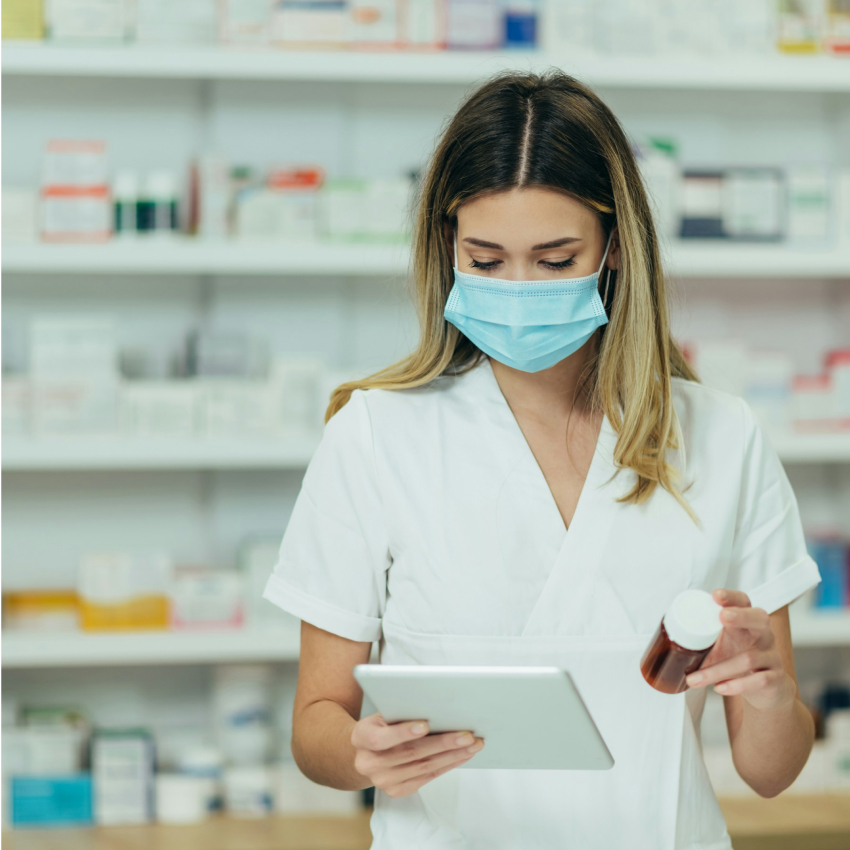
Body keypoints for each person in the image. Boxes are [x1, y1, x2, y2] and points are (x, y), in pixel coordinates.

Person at [263, 71, 820, 850]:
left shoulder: (723, 438)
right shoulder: (374, 434)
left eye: (556, 261)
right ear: (446, 248)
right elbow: (315, 728)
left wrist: (767, 695)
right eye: (485, 262)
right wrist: (362, 753)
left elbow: (771, 770)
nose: (518, 288)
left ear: (616, 248)